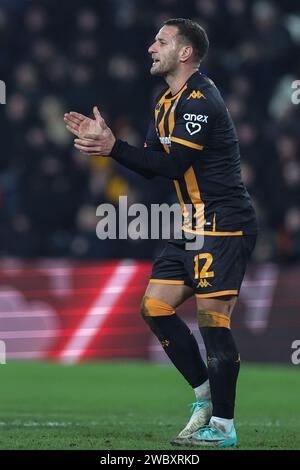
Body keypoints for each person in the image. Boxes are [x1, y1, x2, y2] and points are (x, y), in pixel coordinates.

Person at [64, 18, 257, 447]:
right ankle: (205, 397)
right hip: (189, 225)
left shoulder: (201, 101)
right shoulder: (165, 102)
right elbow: (152, 164)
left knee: (212, 323)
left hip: (223, 223)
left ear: (185, 52)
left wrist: (114, 148)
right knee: (154, 308)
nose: (151, 47)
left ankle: (224, 428)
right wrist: (110, 146)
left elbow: (173, 167)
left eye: (161, 41)